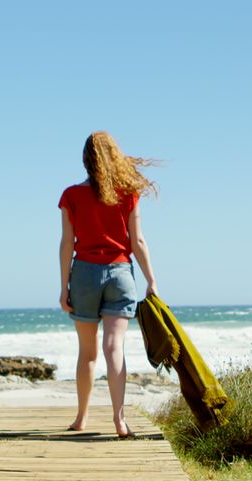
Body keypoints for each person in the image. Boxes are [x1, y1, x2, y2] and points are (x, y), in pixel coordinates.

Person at [58, 131, 158, 438]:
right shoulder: (128, 195)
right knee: (115, 348)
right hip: (119, 273)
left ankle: (82, 418)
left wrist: (64, 287)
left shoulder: (71, 196)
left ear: (86, 160)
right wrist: (152, 280)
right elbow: (137, 241)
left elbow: (66, 244)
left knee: (87, 353)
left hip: (85, 274)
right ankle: (119, 420)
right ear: (114, 156)